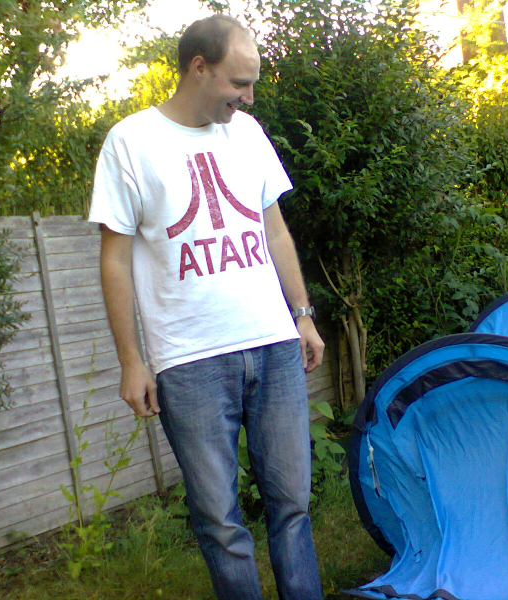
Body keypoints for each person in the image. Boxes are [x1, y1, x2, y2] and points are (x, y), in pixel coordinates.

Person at [88, 15, 325, 600]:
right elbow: (114, 259)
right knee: (220, 522)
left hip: (272, 344)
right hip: (189, 361)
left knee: (292, 504)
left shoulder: (247, 133)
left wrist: (302, 313)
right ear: (199, 67)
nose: (247, 98)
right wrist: (131, 361)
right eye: (239, 84)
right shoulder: (130, 142)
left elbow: (275, 232)